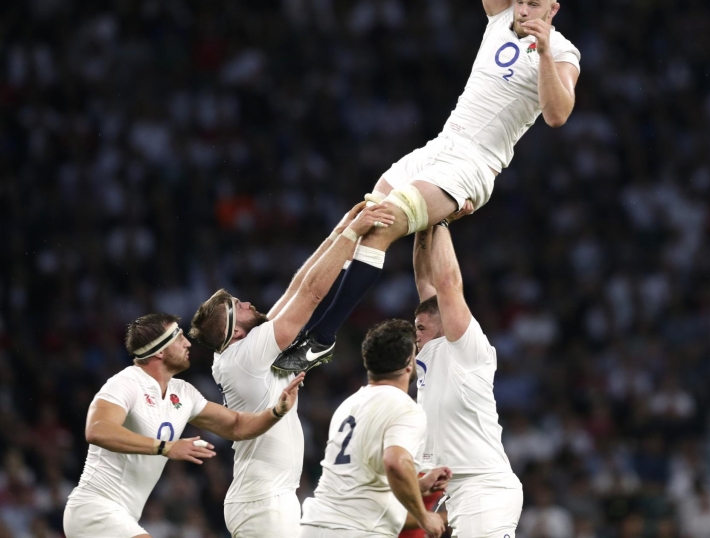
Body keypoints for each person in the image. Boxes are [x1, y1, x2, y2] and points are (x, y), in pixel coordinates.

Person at [273, 0, 582, 373]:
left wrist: (543, 56)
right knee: (358, 220)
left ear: (552, 10)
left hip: (473, 166)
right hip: (440, 146)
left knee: (381, 225)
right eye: (520, 2)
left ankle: (320, 337)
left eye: (534, 6)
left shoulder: (562, 53)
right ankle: (288, 318)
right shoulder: (499, 19)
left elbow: (558, 115)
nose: (523, 12)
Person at [187, 201, 395, 537]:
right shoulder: (246, 355)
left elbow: (296, 287)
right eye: (236, 307)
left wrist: (340, 232)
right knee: (317, 337)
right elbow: (311, 294)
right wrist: (353, 233)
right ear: (235, 332)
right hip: (262, 500)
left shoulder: (239, 351)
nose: (246, 303)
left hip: (265, 498)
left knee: (315, 339)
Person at [62, 313, 304, 538]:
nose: (188, 343)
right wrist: (165, 447)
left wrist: (276, 411)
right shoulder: (126, 383)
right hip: (92, 509)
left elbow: (237, 426)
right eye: (178, 338)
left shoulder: (183, 393)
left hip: (125, 516)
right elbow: (97, 430)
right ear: (159, 350)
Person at [410, 223, 523, 537]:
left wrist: (443, 221)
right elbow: (424, 280)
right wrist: (424, 227)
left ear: (445, 323)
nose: (414, 334)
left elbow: (447, 283)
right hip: (454, 489)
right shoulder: (429, 352)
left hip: (484, 488)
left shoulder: (467, 350)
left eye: (420, 327)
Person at [299, 319, 451, 538]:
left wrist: (418, 484)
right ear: (410, 363)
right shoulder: (405, 407)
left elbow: (361, 481)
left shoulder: (348, 405)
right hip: (358, 530)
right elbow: (396, 462)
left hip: (315, 526)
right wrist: (423, 517)